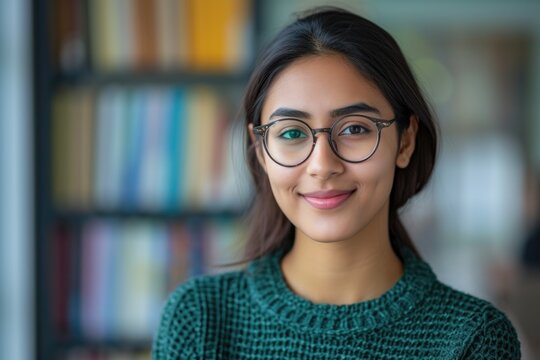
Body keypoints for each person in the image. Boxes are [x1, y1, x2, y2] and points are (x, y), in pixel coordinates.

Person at [152, 7, 520, 359]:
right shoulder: (199, 320)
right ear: (260, 149)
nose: (322, 165)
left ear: (405, 141)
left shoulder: (472, 338)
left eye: (355, 128)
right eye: (293, 132)